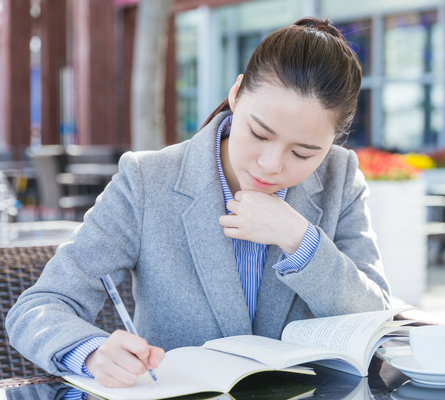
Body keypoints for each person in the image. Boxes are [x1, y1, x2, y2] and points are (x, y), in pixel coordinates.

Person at [6, 17, 391, 388]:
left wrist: (300, 240)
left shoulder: (340, 178)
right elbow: (39, 307)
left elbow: (375, 316)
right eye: (259, 133)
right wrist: (91, 352)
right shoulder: (146, 181)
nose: (271, 165)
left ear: (333, 143)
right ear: (237, 94)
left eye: (304, 154)